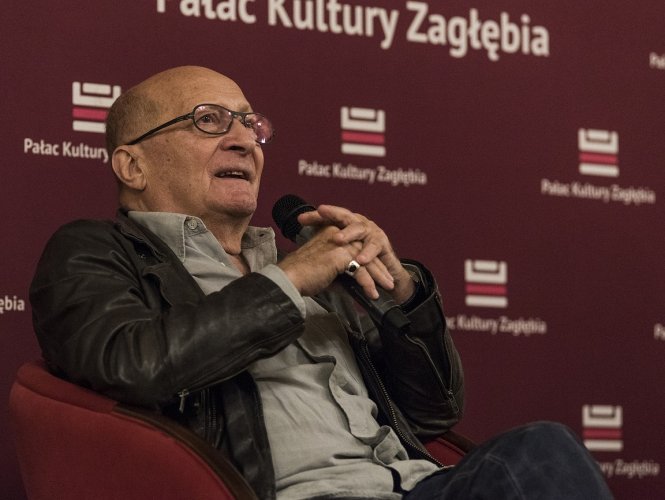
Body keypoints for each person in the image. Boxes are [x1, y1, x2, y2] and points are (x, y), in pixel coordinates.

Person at [30, 65, 612, 499]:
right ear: (132, 166)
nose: (243, 140)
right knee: (542, 452)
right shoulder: (94, 250)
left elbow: (435, 414)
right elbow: (131, 363)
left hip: (417, 485)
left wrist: (402, 295)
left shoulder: (310, 269)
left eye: (249, 124)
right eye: (208, 121)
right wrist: (287, 282)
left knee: (538, 456)